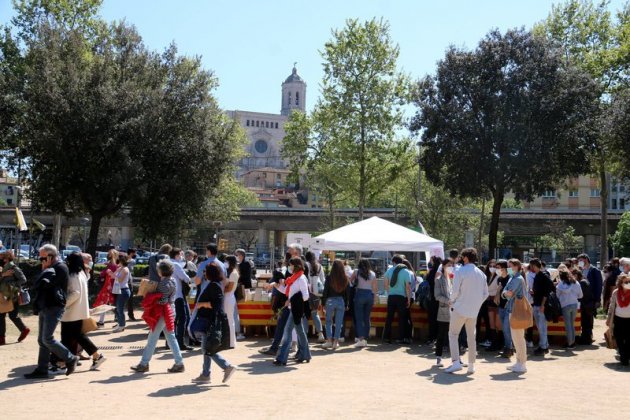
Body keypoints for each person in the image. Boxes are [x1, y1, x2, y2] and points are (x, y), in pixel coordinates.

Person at [25, 245, 79, 379]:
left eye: (43, 257)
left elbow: (44, 284)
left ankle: (71, 358)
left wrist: (45, 268)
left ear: (50, 256)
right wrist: (45, 268)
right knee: (42, 340)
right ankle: (42, 369)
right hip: (45, 305)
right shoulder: (50, 268)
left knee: (47, 338)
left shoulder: (60, 268)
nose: (41, 260)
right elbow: (37, 284)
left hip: (54, 306)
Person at [131, 260, 184, 373]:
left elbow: (162, 301)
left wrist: (149, 296)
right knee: (171, 338)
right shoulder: (173, 281)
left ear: (161, 271)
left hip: (162, 312)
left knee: (152, 338)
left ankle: (144, 364)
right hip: (170, 310)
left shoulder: (162, 284)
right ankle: (179, 363)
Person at [191, 261, 237, 383]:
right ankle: (206, 374)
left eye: (205, 272)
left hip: (210, 321)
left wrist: (202, 304)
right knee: (207, 348)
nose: (204, 274)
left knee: (207, 349)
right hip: (209, 320)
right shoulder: (215, 284)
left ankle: (226, 366)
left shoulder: (214, 285)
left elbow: (216, 304)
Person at [444, 248, 488, 375]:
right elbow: (485, 294)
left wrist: (451, 301)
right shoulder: (481, 274)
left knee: (453, 335)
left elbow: (455, 290)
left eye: (463, 257)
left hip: (460, 308)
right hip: (473, 310)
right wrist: (476, 304)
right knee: (471, 338)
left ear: (466, 258)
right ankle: (471, 365)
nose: (462, 259)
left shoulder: (461, 271)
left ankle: (456, 362)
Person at [60, 252, 106, 370]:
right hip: (79, 311)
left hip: (71, 311)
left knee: (67, 338)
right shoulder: (82, 273)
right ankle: (96, 356)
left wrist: (63, 304)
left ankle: (64, 363)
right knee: (77, 336)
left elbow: (75, 293)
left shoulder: (73, 275)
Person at [274, 257, 311, 365]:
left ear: (296, 266)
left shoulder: (301, 278)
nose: (289, 267)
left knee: (288, 332)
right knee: (300, 332)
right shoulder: (294, 278)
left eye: (291, 265)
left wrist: (291, 300)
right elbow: (287, 291)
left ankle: (282, 358)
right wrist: (276, 286)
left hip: (296, 310)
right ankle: (305, 355)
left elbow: (305, 296)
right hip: (294, 309)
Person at [502, 258, 528, 373]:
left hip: (516, 310)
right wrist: (505, 293)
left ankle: (522, 363)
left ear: (516, 266)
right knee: (516, 338)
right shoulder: (513, 277)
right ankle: (519, 362)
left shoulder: (517, 279)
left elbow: (508, 293)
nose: (509, 268)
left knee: (518, 338)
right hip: (512, 309)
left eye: (510, 265)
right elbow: (505, 292)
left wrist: (505, 293)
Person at [0, 250, 30, 345]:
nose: (0, 259)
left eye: (2, 257)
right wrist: (3, 275)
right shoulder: (2, 268)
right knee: (1, 316)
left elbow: (23, 279)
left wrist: (13, 286)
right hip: (2, 296)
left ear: (6, 258)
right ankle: (1, 338)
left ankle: (24, 329)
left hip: (12, 295)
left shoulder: (13, 268)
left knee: (13, 316)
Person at [383, 255, 413, 344]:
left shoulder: (389, 270)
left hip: (391, 296)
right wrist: (408, 298)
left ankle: (386, 337)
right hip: (401, 297)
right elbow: (408, 287)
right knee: (402, 318)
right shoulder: (406, 271)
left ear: (393, 262)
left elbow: (385, 284)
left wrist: (389, 292)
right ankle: (400, 338)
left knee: (389, 317)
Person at [167, 248, 192, 350]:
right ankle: (180, 342)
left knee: (171, 319)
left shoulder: (167, 263)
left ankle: (169, 343)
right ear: (177, 255)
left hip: (169, 295)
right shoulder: (176, 265)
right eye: (180, 254)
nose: (182, 256)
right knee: (182, 319)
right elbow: (186, 278)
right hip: (178, 296)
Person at [322, 260, 349, 350]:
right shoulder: (345, 278)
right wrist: (347, 304)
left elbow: (325, 291)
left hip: (330, 300)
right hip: (341, 301)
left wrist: (323, 303)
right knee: (338, 323)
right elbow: (347, 293)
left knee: (328, 321)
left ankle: (329, 341)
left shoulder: (329, 277)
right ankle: (335, 342)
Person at [529, 258, 554, 356]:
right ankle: (545, 345)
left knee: (542, 327)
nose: (530, 268)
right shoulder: (537, 275)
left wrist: (543, 305)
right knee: (540, 327)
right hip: (537, 303)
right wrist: (533, 292)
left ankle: (543, 347)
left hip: (541, 305)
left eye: (531, 266)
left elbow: (547, 292)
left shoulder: (544, 276)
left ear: (535, 266)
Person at [351, 258, 378, 348]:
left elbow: (350, 281)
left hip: (359, 294)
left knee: (359, 318)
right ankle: (365, 338)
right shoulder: (373, 274)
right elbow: (375, 289)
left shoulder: (356, 272)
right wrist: (374, 299)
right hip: (369, 295)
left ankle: (361, 338)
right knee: (367, 318)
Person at [577, 253, 602, 344]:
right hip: (582, 299)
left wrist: (597, 300)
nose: (579, 262)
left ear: (586, 260)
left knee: (589, 318)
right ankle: (585, 336)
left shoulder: (594, 270)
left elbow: (599, 286)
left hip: (590, 299)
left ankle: (588, 337)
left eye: (580, 260)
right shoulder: (581, 270)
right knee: (583, 318)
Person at [606, 273, 630, 368]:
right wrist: (608, 319)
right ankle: (623, 354)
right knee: (618, 337)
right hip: (618, 319)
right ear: (621, 283)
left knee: (629, 339)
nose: (628, 283)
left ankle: (625, 357)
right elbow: (611, 307)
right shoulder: (616, 292)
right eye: (626, 282)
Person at [555, 268, 583, 349]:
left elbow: (557, 296)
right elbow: (581, 295)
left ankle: (569, 343)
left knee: (568, 325)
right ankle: (572, 342)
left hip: (565, 305)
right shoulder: (576, 283)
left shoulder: (560, 285)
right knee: (572, 324)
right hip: (574, 304)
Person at [93, 248, 118, 328]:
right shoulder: (115, 265)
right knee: (112, 304)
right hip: (111, 286)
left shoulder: (111, 265)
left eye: (110, 254)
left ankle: (102, 322)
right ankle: (104, 321)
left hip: (109, 286)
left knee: (107, 304)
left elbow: (103, 274)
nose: (108, 255)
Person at [434, 258, 452, 367]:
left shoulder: (455, 278)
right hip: (444, 310)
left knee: (455, 335)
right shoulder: (439, 279)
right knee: (441, 334)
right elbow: (437, 296)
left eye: (452, 265)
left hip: (455, 310)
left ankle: (456, 358)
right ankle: (438, 357)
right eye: (448, 265)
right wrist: (448, 301)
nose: (450, 267)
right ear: (443, 266)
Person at [305, 251, 325, 343]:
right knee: (315, 313)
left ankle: (304, 334)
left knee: (305, 315)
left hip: (307, 292)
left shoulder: (305, 265)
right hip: (316, 293)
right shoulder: (319, 266)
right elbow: (323, 280)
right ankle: (320, 334)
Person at [495, 260, 513, 358]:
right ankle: (509, 348)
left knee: (506, 329)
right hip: (501, 307)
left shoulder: (510, 279)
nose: (497, 270)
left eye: (499, 267)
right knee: (505, 329)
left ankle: (508, 349)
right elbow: (498, 291)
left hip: (509, 308)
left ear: (504, 268)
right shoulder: (499, 279)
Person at [481, 259, 500, 350]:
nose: (492, 268)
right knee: (491, 323)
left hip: (496, 301)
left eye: (494, 266)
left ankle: (499, 343)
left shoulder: (498, 277)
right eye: (490, 266)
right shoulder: (486, 276)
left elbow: (498, 289)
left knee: (497, 324)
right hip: (489, 301)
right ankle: (494, 343)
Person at [234, 249, 251, 340]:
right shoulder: (236, 264)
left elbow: (247, 276)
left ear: (242, 255)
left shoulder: (246, 264)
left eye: (238, 255)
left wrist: (238, 276)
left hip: (244, 287)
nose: (237, 256)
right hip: (236, 287)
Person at [112, 254, 131, 333]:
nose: (117, 261)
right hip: (119, 291)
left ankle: (122, 325)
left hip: (123, 291)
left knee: (120, 309)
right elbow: (113, 276)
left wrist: (111, 274)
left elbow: (119, 280)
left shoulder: (125, 269)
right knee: (116, 308)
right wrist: (112, 274)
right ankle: (120, 323)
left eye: (118, 259)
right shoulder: (120, 268)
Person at [425, 256, 442, 345]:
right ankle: (438, 338)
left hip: (432, 299)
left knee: (432, 319)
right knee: (440, 320)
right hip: (440, 299)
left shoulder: (431, 273)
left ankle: (431, 338)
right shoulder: (442, 272)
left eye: (431, 261)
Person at [224, 255, 239, 349]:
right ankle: (228, 341)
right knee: (228, 320)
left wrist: (220, 290)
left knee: (229, 319)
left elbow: (229, 288)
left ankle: (231, 342)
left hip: (229, 297)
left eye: (227, 261)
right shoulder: (229, 272)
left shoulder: (233, 273)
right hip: (227, 297)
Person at [126, 248, 137, 321]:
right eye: (134, 253)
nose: (135, 254)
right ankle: (130, 315)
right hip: (127, 281)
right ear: (131, 253)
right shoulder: (131, 261)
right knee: (129, 299)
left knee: (129, 299)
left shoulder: (131, 261)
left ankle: (130, 314)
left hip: (128, 281)